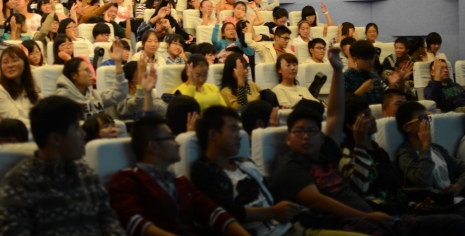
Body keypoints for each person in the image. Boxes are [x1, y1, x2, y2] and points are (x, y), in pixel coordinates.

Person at [268, 49, 400, 233]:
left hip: (370, 214)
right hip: (348, 224)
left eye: (311, 131)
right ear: (288, 139)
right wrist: (368, 217)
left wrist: (337, 70)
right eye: (299, 131)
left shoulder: (326, 153)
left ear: (321, 136)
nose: (305, 136)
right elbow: (317, 201)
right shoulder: (289, 165)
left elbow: (335, 116)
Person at [0, 96, 125, 236]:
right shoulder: (19, 183)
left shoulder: (86, 173)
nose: (83, 134)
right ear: (55, 138)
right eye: (76, 128)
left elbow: (109, 221)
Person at [108, 116, 251, 236]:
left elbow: (215, 213)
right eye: (171, 138)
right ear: (153, 147)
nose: (177, 144)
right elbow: (132, 222)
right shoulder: (127, 179)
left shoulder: (181, 182)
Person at [340, 96, 465, 233]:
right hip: (384, 219)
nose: (372, 118)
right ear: (351, 125)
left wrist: (418, 205)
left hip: (405, 212)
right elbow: (358, 193)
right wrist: (360, 146)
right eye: (365, 116)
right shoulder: (347, 153)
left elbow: (397, 193)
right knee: (457, 222)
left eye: (370, 113)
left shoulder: (379, 151)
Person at [192, 106, 313, 236]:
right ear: (213, 134)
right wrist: (273, 212)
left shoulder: (246, 164)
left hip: (292, 228)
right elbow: (224, 212)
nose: (239, 136)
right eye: (233, 129)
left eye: (239, 130)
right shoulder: (203, 170)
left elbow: (273, 195)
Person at [396, 101, 465, 193]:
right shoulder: (406, 156)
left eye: (427, 118)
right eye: (421, 119)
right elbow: (424, 183)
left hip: (455, 198)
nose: (427, 122)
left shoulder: (437, 149)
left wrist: (459, 185)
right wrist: (425, 146)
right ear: (407, 127)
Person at [54, 39, 128, 118]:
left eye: (89, 70)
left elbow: (120, 93)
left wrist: (118, 62)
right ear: (74, 75)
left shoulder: (95, 95)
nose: (90, 74)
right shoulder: (62, 100)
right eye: (86, 70)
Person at [0, 46, 41, 126]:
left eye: (15, 60)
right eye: (5, 62)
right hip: (12, 132)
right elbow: (16, 120)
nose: (10, 65)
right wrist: (42, 126)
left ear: (25, 63)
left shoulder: (31, 87)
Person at [344, 40, 407, 105]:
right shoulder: (347, 77)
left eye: (372, 58)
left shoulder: (374, 75)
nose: (371, 62)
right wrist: (360, 91)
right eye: (367, 59)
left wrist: (392, 84)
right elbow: (342, 105)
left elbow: (387, 100)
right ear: (355, 59)